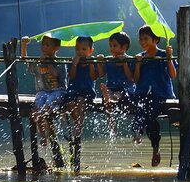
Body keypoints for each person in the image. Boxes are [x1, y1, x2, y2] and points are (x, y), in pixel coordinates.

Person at [132, 25, 177, 167]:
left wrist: (169, 59)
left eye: (146, 39)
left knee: (148, 113)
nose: (143, 42)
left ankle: (139, 131)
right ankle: (144, 137)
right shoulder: (140, 57)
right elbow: (135, 80)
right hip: (142, 94)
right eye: (140, 40)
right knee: (142, 108)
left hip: (161, 95)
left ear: (156, 40)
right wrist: (138, 64)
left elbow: (173, 75)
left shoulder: (164, 55)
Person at [21, 35, 67, 169]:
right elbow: (25, 60)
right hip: (43, 91)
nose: (44, 47)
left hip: (58, 90)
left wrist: (47, 62)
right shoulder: (38, 61)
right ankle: (42, 135)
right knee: (38, 104)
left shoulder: (60, 62)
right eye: (43, 45)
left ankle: (43, 114)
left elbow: (55, 75)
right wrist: (24, 45)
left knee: (47, 105)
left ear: (56, 48)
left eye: (47, 45)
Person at [63, 36, 98, 172]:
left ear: (90, 50)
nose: (80, 52)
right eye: (78, 49)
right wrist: (74, 64)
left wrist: (90, 63)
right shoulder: (72, 62)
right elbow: (71, 76)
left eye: (84, 49)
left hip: (87, 92)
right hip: (73, 90)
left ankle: (78, 125)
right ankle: (77, 122)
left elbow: (94, 76)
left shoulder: (92, 61)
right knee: (71, 102)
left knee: (81, 101)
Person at [96, 32, 135, 138]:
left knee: (117, 94)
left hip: (125, 89)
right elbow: (101, 74)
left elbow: (130, 78)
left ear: (124, 47)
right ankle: (111, 123)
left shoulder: (130, 60)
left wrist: (125, 64)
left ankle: (112, 98)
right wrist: (99, 62)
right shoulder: (109, 60)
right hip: (110, 88)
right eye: (110, 46)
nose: (112, 48)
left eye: (115, 45)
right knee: (108, 95)